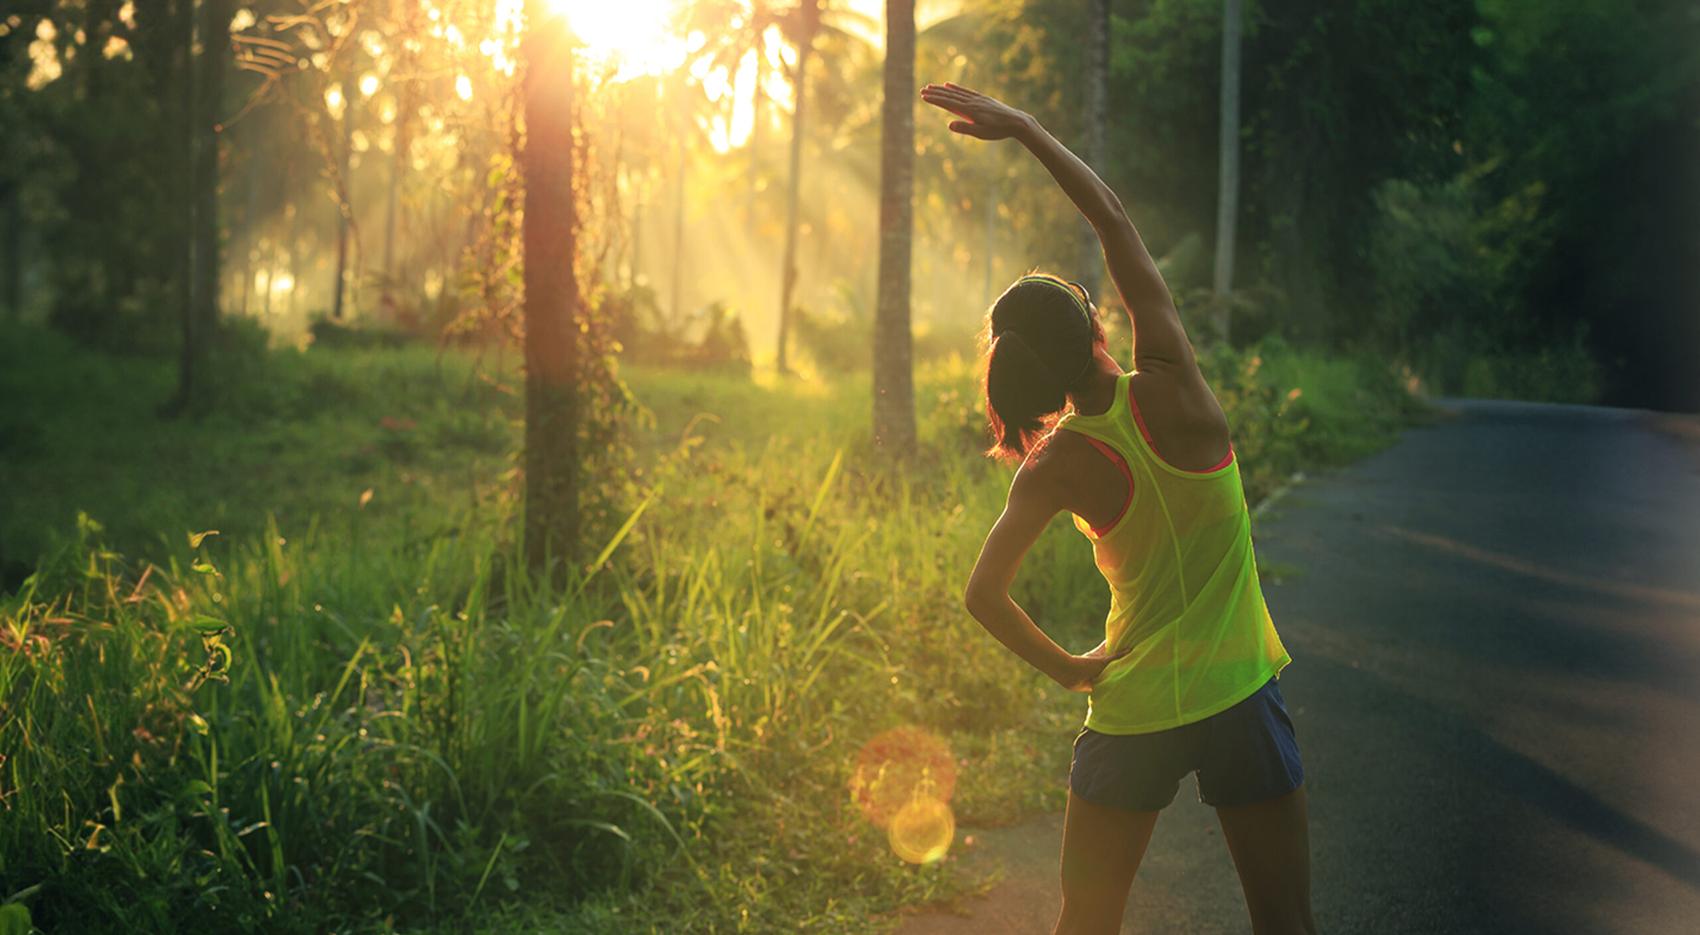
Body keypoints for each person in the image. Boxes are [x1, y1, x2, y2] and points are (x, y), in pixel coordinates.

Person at [922, 81, 1316, 935]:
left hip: (1132, 707)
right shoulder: (1173, 383)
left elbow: (982, 592)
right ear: (1099, 319)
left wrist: (1070, 666)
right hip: (1238, 697)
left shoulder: (1054, 467)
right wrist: (1027, 127)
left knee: (1085, 925)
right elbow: (1114, 221)